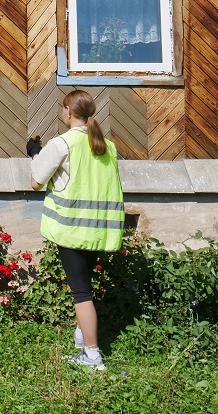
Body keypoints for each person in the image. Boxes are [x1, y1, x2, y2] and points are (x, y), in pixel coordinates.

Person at [29, 89, 125, 371]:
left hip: (71, 228)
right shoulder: (107, 145)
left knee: (81, 293)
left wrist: (34, 153)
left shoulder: (62, 144)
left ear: (68, 110)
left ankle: (93, 356)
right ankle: (83, 339)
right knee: (86, 288)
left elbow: (36, 181)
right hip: (97, 230)